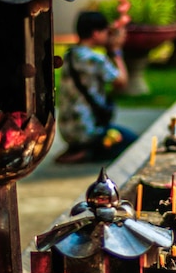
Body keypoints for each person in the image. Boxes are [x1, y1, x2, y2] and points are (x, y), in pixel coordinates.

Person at [56, 10, 137, 164]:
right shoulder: (95, 59)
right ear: (95, 33)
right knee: (134, 142)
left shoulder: (69, 55)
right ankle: (88, 152)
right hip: (88, 131)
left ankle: (77, 150)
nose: (108, 36)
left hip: (67, 130)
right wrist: (115, 51)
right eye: (106, 32)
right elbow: (122, 82)